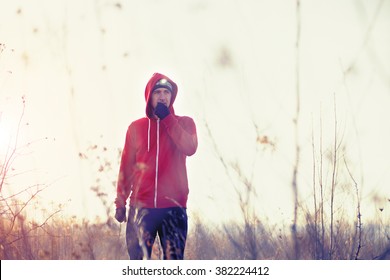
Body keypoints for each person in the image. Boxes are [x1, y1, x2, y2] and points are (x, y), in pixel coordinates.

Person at [114, 72, 198, 260]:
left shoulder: (185, 123)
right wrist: (120, 202)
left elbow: (190, 148)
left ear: (172, 96)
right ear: (149, 97)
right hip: (141, 208)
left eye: (166, 92)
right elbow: (126, 168)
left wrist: (168, 119)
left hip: (173, 209)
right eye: (157, 92)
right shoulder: (136, 128)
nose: (162, 96)